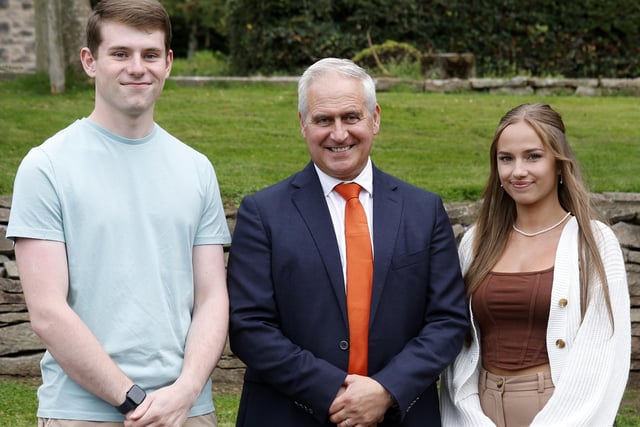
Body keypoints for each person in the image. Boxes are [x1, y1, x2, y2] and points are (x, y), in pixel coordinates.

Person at [6, 0, 231, 425]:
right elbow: (48, 313)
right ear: (90, 61)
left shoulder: (196, 168)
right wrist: (134, 400)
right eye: (120, 54)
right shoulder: (47, 166)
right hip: (82, 412)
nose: (137, 67)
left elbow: (212, 297)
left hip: (187, 413)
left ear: (167, 63)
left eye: (149, 55)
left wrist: (184, 393)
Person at [226, 57, 469, 427]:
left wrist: (386, 390)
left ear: (375, 118)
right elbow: (249, 326)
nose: (339, 134)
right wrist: (332, 391)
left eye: (351, 117)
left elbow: (447, 321)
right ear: (302, 124)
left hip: (398, 415)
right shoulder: (263, 213)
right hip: (289, 414)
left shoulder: (423, 210)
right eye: (324, 120)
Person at [440, 103, 631, 426]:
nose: (518, 171)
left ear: (559, 163)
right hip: (481, 411)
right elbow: (459, 345)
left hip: (560, 411)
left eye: (533, 156)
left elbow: (602, 353)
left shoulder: (594, 243)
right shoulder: (476, 241)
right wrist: (471, 417)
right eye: (506, 158)